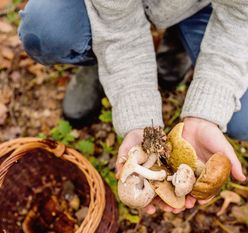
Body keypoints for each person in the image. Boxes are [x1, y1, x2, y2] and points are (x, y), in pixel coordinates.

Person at [18, 0, 247, 214]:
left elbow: (241, 18)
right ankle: (96, 58)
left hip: (206, 7)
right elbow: (119, 33)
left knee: (243, 117)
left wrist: (207, 113)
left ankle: (178, 41)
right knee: (46, 29)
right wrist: (139, 119)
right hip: (113, 15)